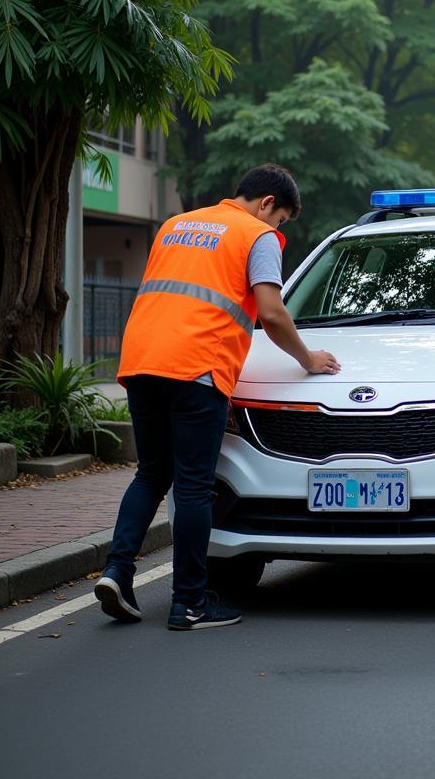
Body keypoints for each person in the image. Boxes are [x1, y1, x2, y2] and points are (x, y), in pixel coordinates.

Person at [94, 164, 341, 630]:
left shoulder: (176, 224)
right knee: (192, 485)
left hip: (142, 360)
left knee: (150, 474)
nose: (277, 229)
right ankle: (189, 602)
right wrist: (308, 359)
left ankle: (116, 572)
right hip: (198, 366)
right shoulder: (256, 235)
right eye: (281, 219)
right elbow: (270, 310)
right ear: (267, 204)